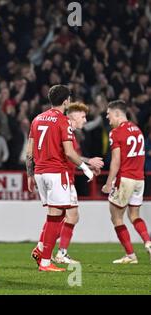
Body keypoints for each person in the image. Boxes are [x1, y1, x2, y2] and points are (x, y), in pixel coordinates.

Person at [26, 85, 98, 272]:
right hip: (56, 172)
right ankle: (45, 261)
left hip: (40, 172)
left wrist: (29, 174)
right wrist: (86, 168)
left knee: (57, 216)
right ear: (66, 101)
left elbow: (29, 151)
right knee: (56, 217)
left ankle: (42, 251)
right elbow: (69, 153)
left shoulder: (37, 119)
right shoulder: (63, 121)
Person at [101, 100, 151, 264]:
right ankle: (148, 242)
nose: (108, 119)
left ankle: (131, 255)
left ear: (117, 113)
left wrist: (109, 183)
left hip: (125, 179)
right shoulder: (137, 130)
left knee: (116, 218)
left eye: (109, 115)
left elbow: (116, 161)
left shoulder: (116, 133)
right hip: (139, 179)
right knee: (135, 215)